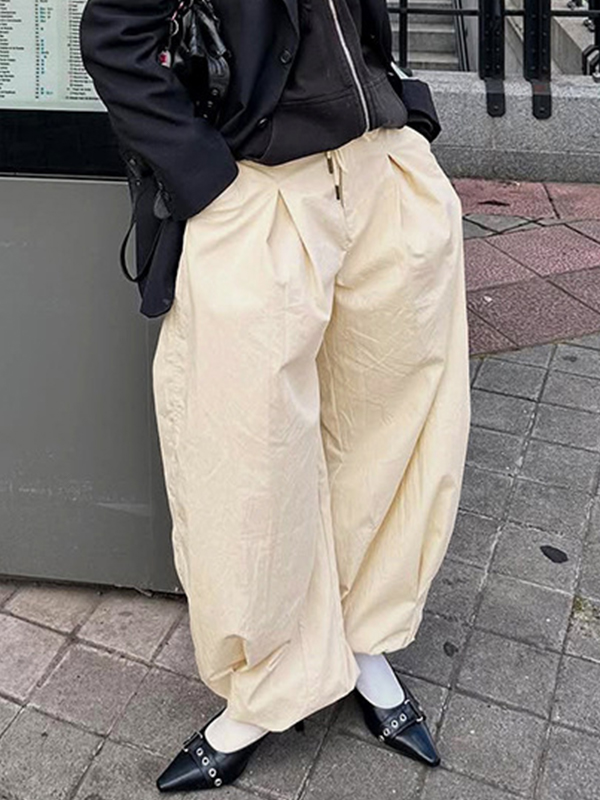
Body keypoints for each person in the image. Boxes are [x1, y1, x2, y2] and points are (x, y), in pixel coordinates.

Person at [79, 0, 471, 792]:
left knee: (390, 430)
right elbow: (115, 39)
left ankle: (362, 640)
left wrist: (409, 115)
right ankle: (264, 688)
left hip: (381, 174)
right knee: (247, 456)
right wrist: (210, 184)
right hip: (259, 192)